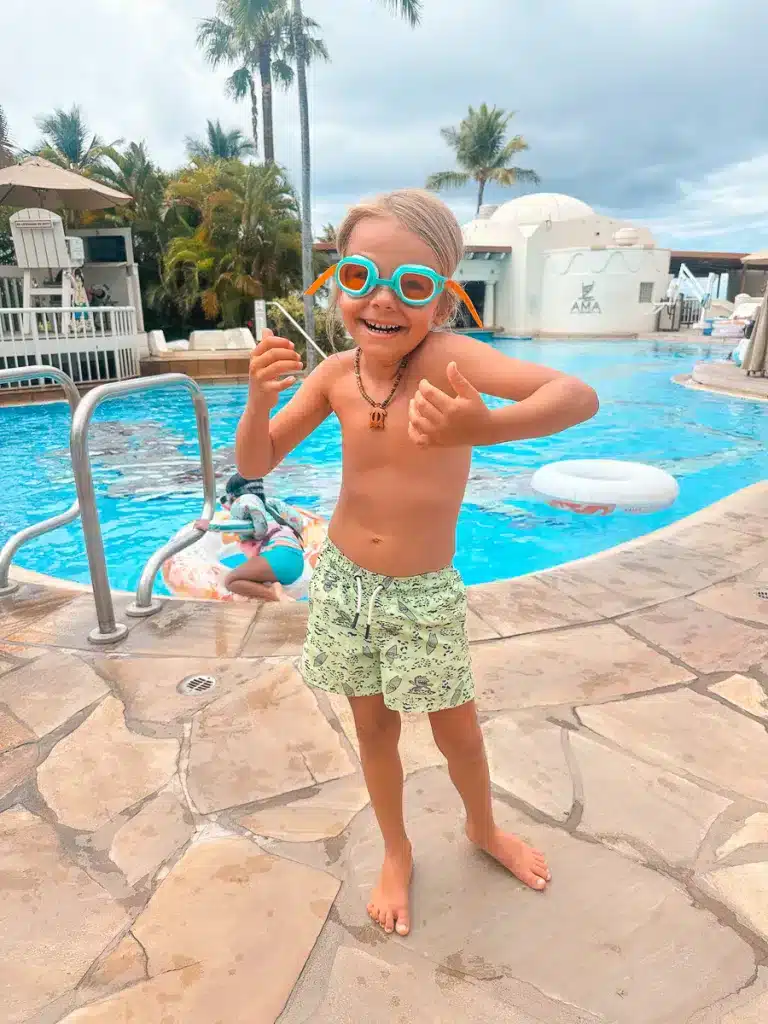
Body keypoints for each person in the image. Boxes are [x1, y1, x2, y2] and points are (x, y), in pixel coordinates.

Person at [235, 188, 599, 937]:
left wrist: (485, 427)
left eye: (413, 285)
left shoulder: (450, 360)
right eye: (361, 276)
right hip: (343, 585)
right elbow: (258, 459)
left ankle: (481, 829)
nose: (382, 301)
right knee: (373, 731)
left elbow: (577, 395)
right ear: (335, 281)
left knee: (456, 732)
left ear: (442, 297)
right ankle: (396, 850)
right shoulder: (336, 373)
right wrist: (253, 400)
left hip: (422, 592)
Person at [220, 473, 304, 602]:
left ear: (234, 497)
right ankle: (274, 588)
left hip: (279, 555)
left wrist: (207, 525)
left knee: (231, 581)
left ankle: (274, 595)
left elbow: (229, 527)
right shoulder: (272, 509)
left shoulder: (244, 505)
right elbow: (297, 522)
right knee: (247, 581)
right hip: (297, 562)